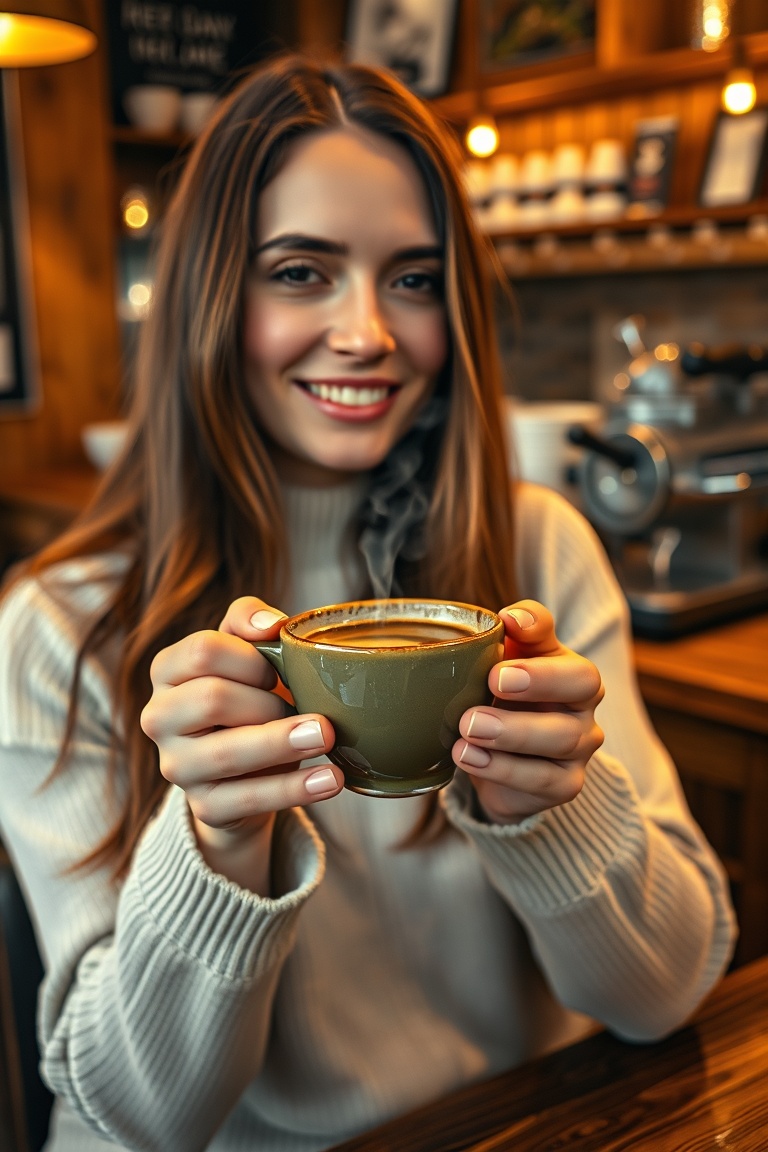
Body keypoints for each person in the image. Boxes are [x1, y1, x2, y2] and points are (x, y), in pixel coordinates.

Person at [0, 53, 736, 1152]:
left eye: (414, 278)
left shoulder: (535, 548)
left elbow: (664, 993)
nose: (369, 334)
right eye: (301, 272)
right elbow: (135, 1115)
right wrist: (216, 843)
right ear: (209, 296)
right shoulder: (62, 624)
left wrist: (552, 809)